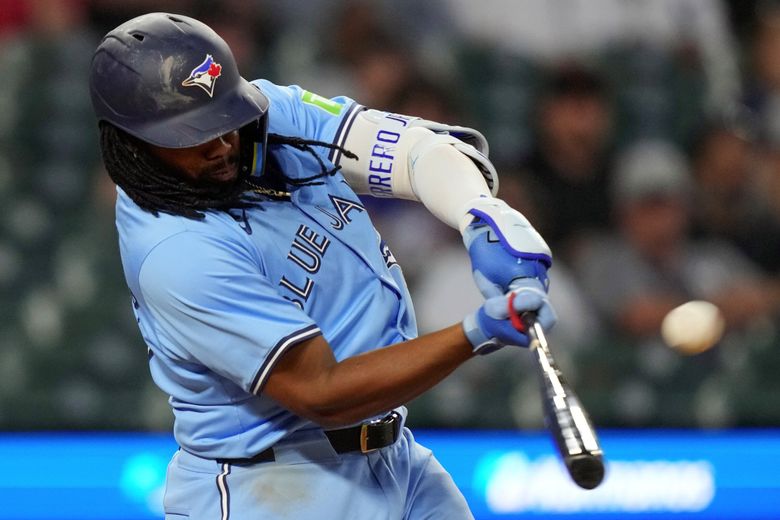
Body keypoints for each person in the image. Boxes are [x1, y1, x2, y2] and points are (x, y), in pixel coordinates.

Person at [89, 13, 555, 519]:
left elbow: (415, 151)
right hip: (276, 484)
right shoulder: (175, 251)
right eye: (192, 134)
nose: (222, 142)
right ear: (132, 145)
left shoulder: (263, 114)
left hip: (395, 454)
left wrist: (480, 214)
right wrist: (475, 331)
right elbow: (323, 392)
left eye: (225, 118)